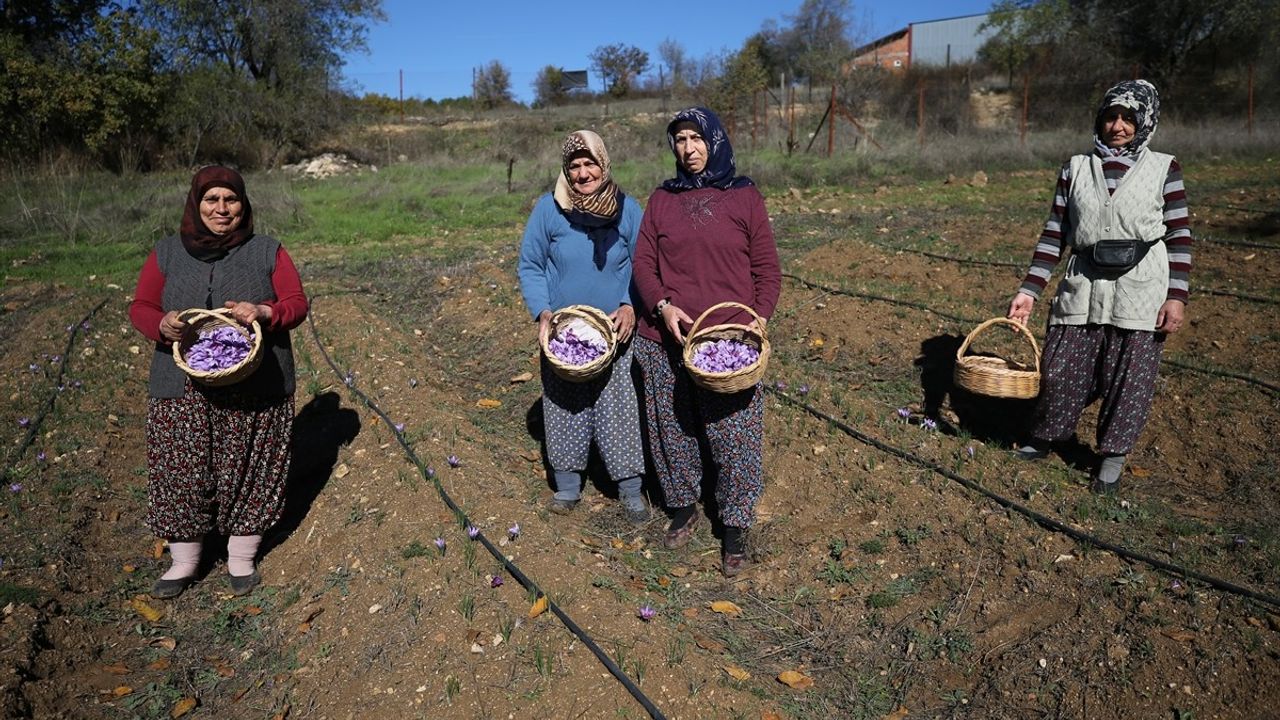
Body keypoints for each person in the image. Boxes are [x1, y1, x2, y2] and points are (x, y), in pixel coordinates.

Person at [129, 166, 309, 598]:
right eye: (212, 200)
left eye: (231, 200)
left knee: (249, 465)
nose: (222, 209)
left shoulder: (268, 250)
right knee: (182, 468)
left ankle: (240, 556)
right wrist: (162, 324)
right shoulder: (167, 253)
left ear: (244, 205)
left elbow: (296, 303)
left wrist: (267, 313)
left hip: (256, 379)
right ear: (196, 204)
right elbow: (141, 306)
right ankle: (184, 561)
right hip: (180, 382)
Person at [1007, 79, 1192, 494]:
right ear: (1099, 120)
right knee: (1059, 368)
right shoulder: (1075, 167)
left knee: (1129, 377)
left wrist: (1176, 296)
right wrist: (1029, 290)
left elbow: (1179, 236)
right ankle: (1046, 436)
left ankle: (1112, 456)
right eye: (1111, 116)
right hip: (1083, 282)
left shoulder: (1165, 167)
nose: (1119, 126)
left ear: (1145, 122)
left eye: (1129, 117)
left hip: (1141, 285)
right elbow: (1055, 234)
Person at [632, 107, 781, 577]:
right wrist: (662, 307)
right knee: (672, 428)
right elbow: (643, 264)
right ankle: (682, 505)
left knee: (732, 432)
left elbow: (767, 272)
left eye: (697, 138)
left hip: (727, 338)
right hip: (665, 335)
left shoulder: (744, 197)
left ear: (714, 141)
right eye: (680, 140)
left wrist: (755, 322)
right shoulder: (662, 199)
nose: (689, 148)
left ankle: (734, 525)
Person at [517, 130, 650, 523]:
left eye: (589, 163)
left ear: (603, 164)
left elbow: (644, 265)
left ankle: (629, 489)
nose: (582, 173)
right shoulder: (549, 210)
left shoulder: (627, 209)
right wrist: (543, 312)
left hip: (616, 331)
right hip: (564, 334)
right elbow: (531, 265)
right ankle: (568, 486)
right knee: (564, 406)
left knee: (619, 408)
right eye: (574, 166)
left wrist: (629, 305)